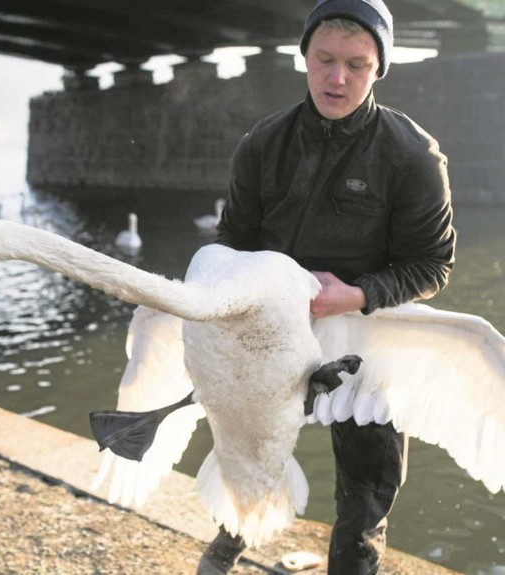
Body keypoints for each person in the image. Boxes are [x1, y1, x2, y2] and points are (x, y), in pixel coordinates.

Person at [197, 0, 456, 574]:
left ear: (379, 69)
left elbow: (433, 265)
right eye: (325, 59)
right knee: (252, 453)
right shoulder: (262, 144)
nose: (337, 78)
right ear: (305, 57)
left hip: (368, 335)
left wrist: (357, 294)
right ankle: (229, 542)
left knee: (366, 494)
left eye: (356, 65)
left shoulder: (414, 156)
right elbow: (231, 244)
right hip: (273, 334)